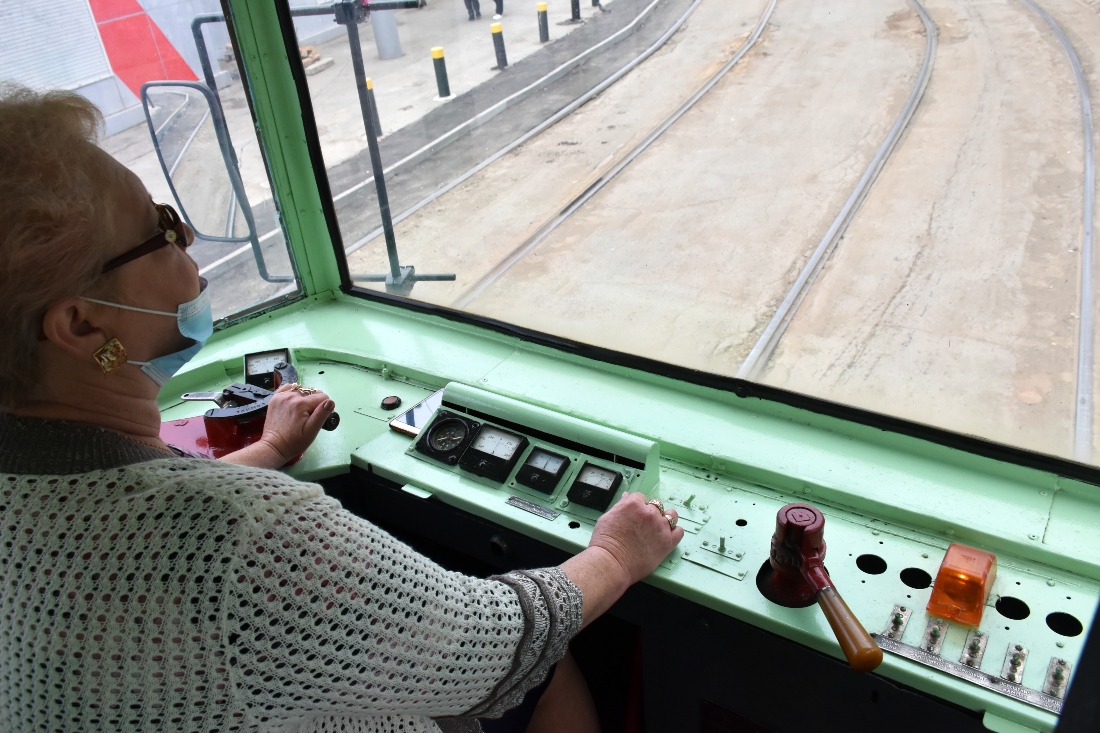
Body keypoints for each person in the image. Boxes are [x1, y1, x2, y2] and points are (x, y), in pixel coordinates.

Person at [0, 84, 685, 733]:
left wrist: (267, 452)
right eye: (162, 229)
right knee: (545, 663)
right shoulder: (240, 532)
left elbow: (121, 535)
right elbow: (495, 642)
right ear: (82, 327)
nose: (190, 248)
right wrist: (618, 554)